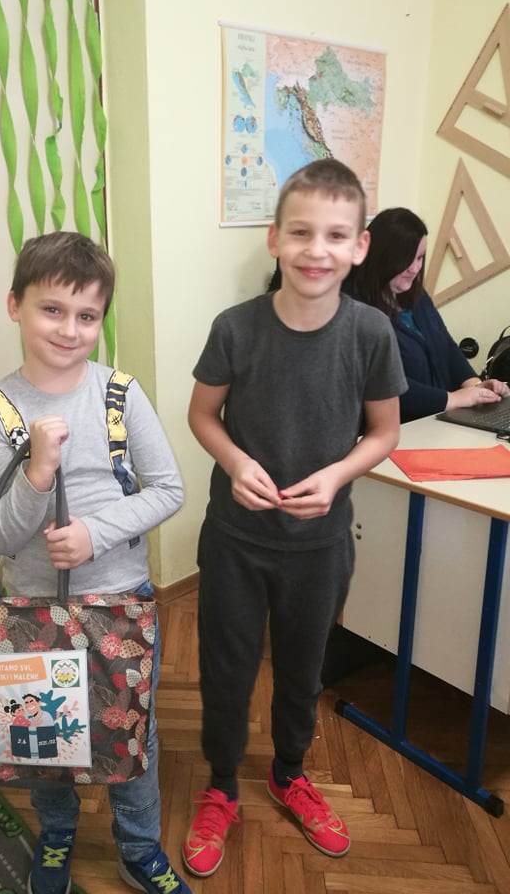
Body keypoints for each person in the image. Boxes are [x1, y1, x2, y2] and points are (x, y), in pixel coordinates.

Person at [182, 159, 407, 878]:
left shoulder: (372, 332)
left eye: (336, 235)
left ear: (360, 246)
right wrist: (234, 461)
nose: (318, 250)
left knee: (303, 669)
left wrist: (338, 474)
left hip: (320, 545)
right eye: (302, 233)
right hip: (235, 542)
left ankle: (288, 773)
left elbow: (383, 432)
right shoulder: (235, 327)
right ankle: (221, 785)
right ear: (275, 238)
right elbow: (202, 414)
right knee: (226, 668)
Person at [0, 231, 191, 894]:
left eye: (87, 315)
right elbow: (2, 536)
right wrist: (38, 471)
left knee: (132, 732)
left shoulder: (120, 392)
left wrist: (95, 533)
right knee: (40, 734)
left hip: (122, 599)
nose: (70, 330)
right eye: (52, 309)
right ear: (15, 305)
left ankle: (139, 846)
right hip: (35, 608)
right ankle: (58, 834)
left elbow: (168, 488)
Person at [347, 207, 509, 422]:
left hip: (439, 417)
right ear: (382, 257)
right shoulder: (353, 309)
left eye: (420, 258)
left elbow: (446, 346)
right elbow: (381, 382)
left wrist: (476, 386)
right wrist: (453, 399)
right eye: (408, 259)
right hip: (401, 426)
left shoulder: (416, 295)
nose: (415, 269)